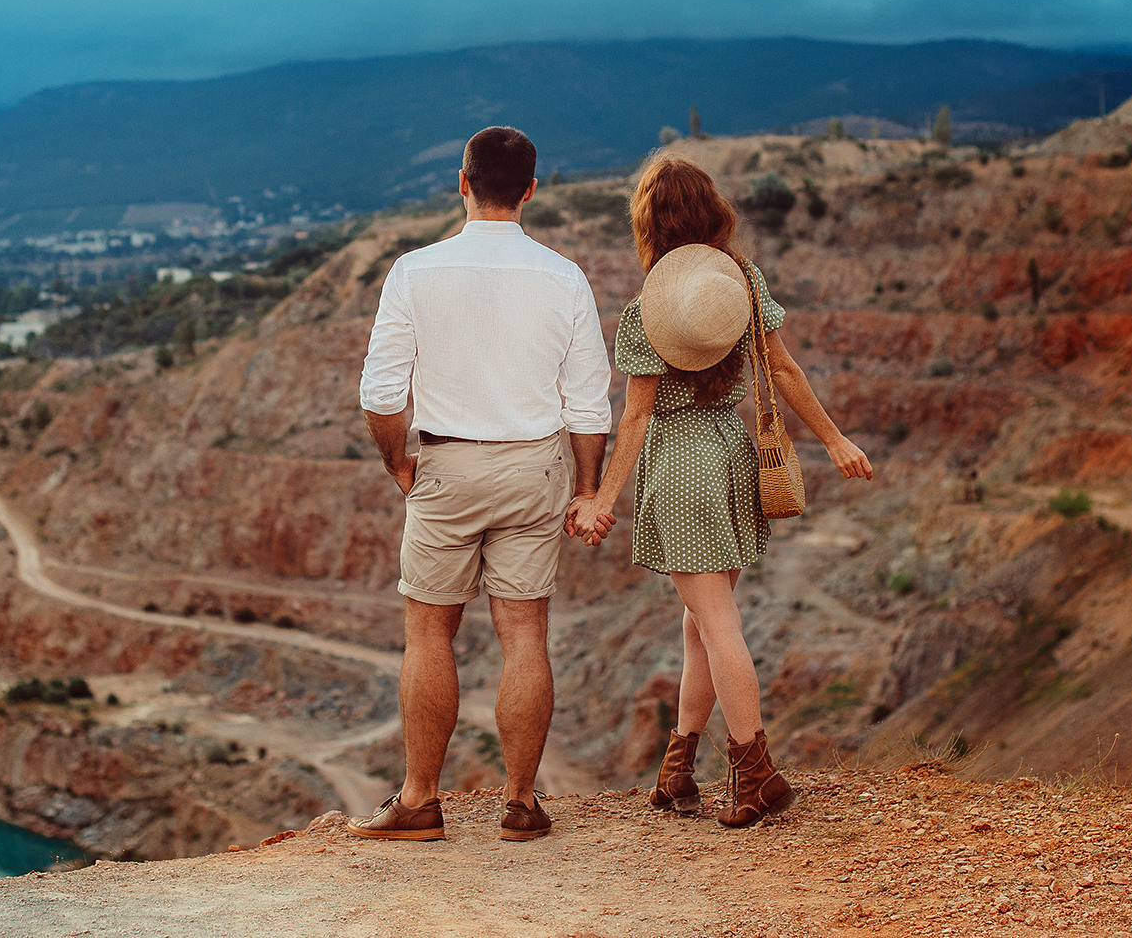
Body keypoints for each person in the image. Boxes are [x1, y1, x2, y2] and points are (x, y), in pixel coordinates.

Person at [568, 155, 873, 828]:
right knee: (701, 622)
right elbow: (785, 369)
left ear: (650, 222)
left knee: (716, 622)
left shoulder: (647, 309)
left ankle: (754, 770)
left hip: (681, 462)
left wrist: (603, 498)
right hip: (731, 455)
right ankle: (678, 770)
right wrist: (835, 439)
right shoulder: (743, 281)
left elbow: (638, 417)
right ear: (713, 211)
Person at [352, 125, 612, 843]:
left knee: (429, 631)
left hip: (446, 465)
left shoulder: (414, 270)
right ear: (531, 189)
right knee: (524, 632)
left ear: (461, 182)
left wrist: (397, 462)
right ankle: (523, 803)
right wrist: (586, 486)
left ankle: (419, 799)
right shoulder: (564, 276)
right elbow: (589, 401)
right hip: (535, 467)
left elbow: (380, 391)